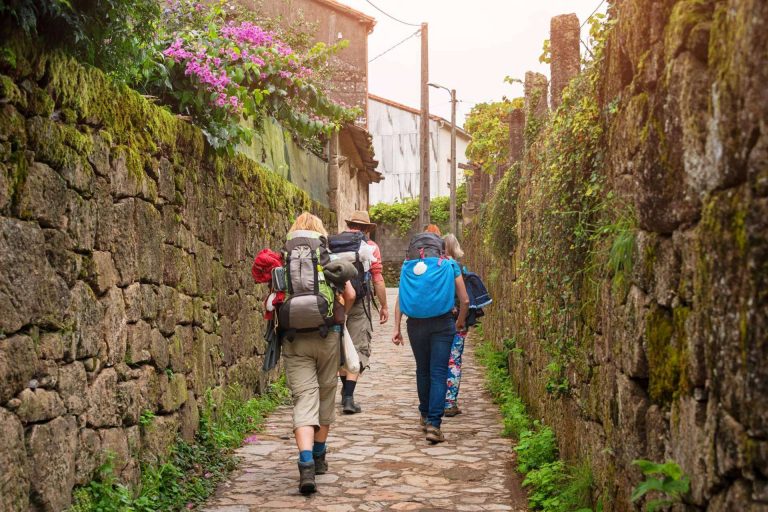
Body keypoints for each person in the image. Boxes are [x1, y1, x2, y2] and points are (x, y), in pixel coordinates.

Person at [280, 212, 356, 494]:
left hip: (293, 339)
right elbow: (350, 296)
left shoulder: (284, 260)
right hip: (327, 337)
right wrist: (341, 318)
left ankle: (306, 463)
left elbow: (272, 301)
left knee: (304, 399)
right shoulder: (327, 259)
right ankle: (320, 455)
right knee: (325, 395)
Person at [392, 227, 469, 444]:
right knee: (438, 372)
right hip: (443, 324)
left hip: (415, 325)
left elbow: (401, 298)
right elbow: (464, 300)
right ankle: (434, 425)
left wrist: (396, 327)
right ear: (440, 249)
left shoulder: (407, 267)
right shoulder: (450, 265)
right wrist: (460, 321)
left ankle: (424, 414)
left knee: (423, 370)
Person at [332, 210, 388, 414]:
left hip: (336, 302)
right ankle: (348, 397)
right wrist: (384, 305)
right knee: (358, 347)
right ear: (366, 228)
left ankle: (345, 388)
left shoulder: (334, 243)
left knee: (340, 346)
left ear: (349, 225)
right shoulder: (370, 247)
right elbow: (378, 278)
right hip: (359, 304)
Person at [443, 234, 467, 417]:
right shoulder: (458, 267)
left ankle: (435, 400)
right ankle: (450, 403)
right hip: (456, 321)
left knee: (437, 362)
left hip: (438, 320)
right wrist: (461, 320)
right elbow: (465, 300)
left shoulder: (436, 267)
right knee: (454, 361)